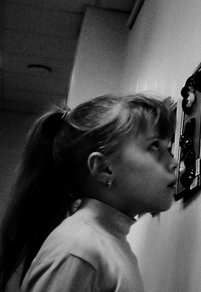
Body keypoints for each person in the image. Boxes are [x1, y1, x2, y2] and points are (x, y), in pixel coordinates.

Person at [0, 94, 178, 292]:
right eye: (154, 146)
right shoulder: (78, 250)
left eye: (167, 148)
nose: (173, 162)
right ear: (103, 168)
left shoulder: (105, 243)